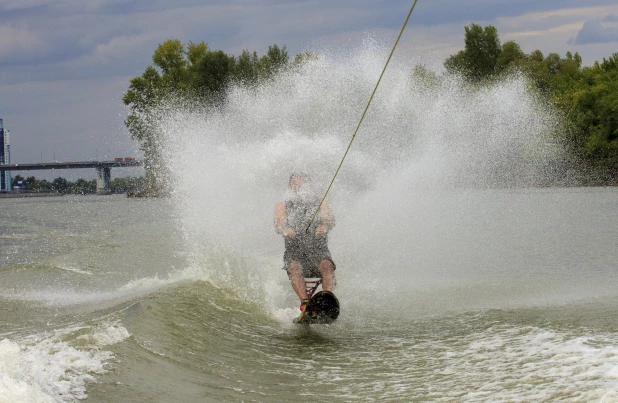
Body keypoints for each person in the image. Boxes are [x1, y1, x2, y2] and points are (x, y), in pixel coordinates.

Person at [274, 172, 336, 311]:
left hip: (318, 250)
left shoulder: (321, 203)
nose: (300, 189)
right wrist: (285, 230)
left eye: (303, 186)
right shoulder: (282, 206)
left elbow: (330, 221)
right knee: (294, 267)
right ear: (291, 187)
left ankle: (327, 298)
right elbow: (278, 225)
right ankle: (305, 303)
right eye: (296, 186)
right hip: (295, 251)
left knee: (327, 265)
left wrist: (324, 226)